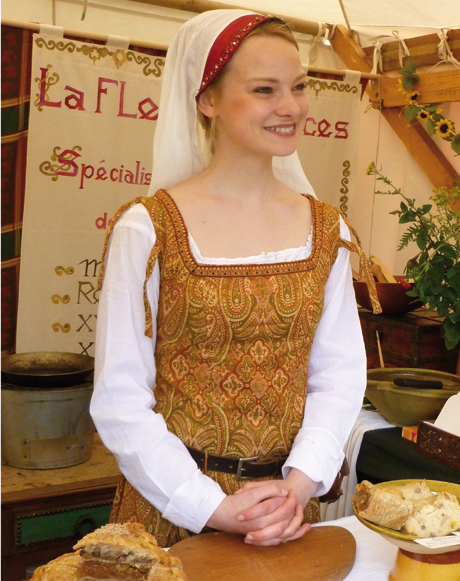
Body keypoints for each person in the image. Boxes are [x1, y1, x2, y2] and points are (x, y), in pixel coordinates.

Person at [91, 10, 379, 548]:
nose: (290, 107)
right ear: (207, 100)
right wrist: (213, 507)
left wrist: (299, 485)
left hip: (286, 514)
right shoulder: (150, 229)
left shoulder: (325, 227)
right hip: (175, 510)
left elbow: (338, 373)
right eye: (264, 89)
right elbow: (120, 396)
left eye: (298, 87)